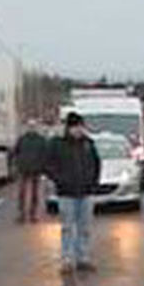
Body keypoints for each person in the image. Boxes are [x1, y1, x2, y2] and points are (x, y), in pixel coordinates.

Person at [45, 112, 101, 274]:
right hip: (66, 193)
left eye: (80, 127)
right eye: (75, 127)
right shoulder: (58, 144)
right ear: (69, 128)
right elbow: (48, 165)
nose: (79, 130)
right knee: (67, 227)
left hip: (86, 192)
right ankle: (67, 260)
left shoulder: (88, 144)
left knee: (85, 228)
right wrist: (60, 180)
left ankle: (83, 258)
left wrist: (93, 183)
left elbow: (97, 164)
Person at [13, 120, 48, 223]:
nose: (31, 128)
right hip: (23, 169)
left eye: (33, 126)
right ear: (27, 127)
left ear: (36, 127)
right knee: (22, 193)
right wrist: (17, 164)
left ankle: (33, 214)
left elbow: (44, 154)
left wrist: (43, 167)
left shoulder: (41, 140)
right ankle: (22, 214)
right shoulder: (22, 139)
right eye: (30, 126)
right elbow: (16, 152)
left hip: (36, 169)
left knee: (34, 193)